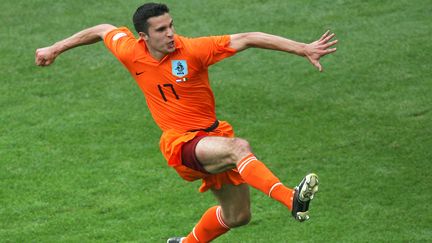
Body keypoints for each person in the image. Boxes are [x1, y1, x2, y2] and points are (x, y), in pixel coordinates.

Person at [35, 2, 337, 242]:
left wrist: (303, 48)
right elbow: (102, 30)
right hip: (181, 144)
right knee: (238, 148)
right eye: (161, 29)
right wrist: (55, 48)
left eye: (171, 25)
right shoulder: (130, 51)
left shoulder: (192, 50)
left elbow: (247, 38)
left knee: (237, 217)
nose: (170, 33)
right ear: (144, 37)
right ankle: (290, 198)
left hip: (210, 137)